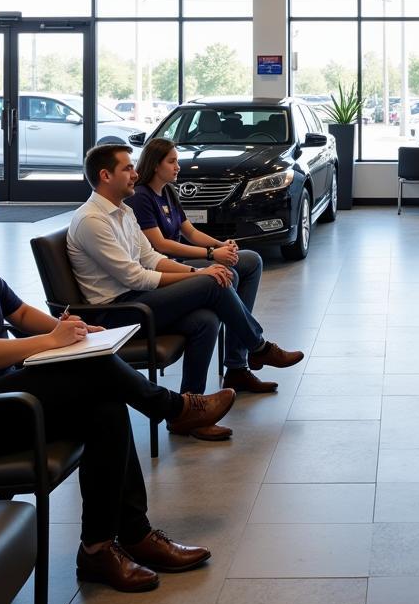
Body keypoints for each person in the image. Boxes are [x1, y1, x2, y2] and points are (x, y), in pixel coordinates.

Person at [0, 162, 236, 593]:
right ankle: (175, 409)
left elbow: (17, 312)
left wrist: (74, 327)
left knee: (105, 408)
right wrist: (51, 343)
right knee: (92, 370)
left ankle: (109, 544)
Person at [67, 144, 303, 441]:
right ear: (105, 175)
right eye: (127, 168)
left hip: (136, 300)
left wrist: (205, 264)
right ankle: (257, 346)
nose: (134, 173)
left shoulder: (123, 211)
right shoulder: (93, 221)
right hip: (115, 313)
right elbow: (134, 275)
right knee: (211, 282)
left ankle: (189, 413)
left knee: (205, 319)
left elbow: (151, 257)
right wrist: (198, 272)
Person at [130, 138, 274, 395]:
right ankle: (255, 349)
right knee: (226, 274)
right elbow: (161, 246)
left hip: (175, 263)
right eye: (172, 162)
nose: (178, 167)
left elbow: (190, 232)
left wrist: (222, 246)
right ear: (154, 165)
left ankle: (237, 365)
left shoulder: (168, 191)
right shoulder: (141, 198)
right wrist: (211, 255)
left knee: (250, 261)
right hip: (164, 267)